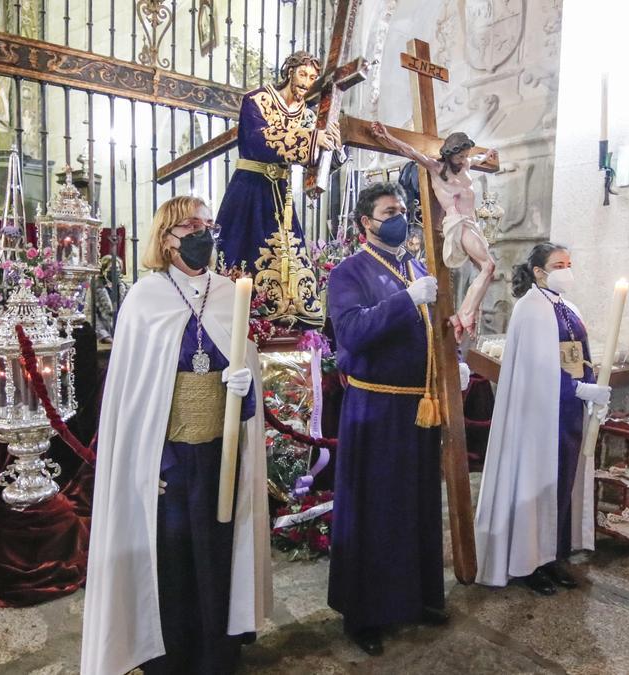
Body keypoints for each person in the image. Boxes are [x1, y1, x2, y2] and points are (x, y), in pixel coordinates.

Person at [80, 196, 271, 675]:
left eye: (209, 225)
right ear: (167, 238)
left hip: (220, 454)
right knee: (172, 552)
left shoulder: (229, 293)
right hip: (168, 461)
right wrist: (157, 460)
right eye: (191, 225)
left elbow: (245, 378)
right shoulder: (146, 299)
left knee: (218, 550)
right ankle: (173, 657)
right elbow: (136, 393)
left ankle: (218, 653)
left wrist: (243, 386)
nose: (203, 233)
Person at [326, 182, 470, 656]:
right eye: (390, 211)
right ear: (366, 221)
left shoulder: (416, 265)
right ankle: (363, 613)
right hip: (375, 409)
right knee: (374, 510)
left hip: (417, 408)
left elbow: (431, 331)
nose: (400, 217)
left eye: (403, 210)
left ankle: (417, 597)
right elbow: (350, 332)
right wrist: (406, 299)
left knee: (414, 506)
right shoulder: (349, 271)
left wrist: (453, 361)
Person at [474, 243, 611, 594]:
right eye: (558, 264)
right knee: (535, 484)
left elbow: (581, 356)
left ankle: (554, 555)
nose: (566, 269)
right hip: (538, 415)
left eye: (569, 263)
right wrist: (577, 390)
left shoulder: (568, 307)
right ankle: (527, 562)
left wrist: (593, 387)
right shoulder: (530, 308)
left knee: (562, 484)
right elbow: (537, 367)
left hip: (567, 414)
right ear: (539, 271)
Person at [215, 50, 340, 328]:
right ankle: (244, 317)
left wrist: (333, 147)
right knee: (242, 251)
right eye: (303, 74)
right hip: (250, 188)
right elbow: (259, 140)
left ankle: (290, 317)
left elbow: (316, 162)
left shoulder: (308, 116)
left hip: (282, 194)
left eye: (312, 77)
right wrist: (311, 139)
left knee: (292, 255)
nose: (307, 81)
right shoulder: (257, 100)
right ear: (289, 72)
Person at [369, 122, 498, 341]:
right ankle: (465, 314)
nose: (463, 160)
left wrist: (488, 154)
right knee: (489, 266)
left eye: (466, 155)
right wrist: (387, 136)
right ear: (448, 154)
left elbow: (477, 159)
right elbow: (409, 151)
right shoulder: (436, 169)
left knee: (486, 272)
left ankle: (464, 314)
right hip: (458, 223)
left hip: (472, 223)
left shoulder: (466, 165)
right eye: (459, 156)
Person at [93, 254, 129, 343]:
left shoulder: (126, 288)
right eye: (111, 269)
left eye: (117, 269)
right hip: (103, 338)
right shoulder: (96, 288)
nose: (115, 272)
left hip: (123, 335)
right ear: (104, 271)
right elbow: (92, 315)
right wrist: (104, 336)